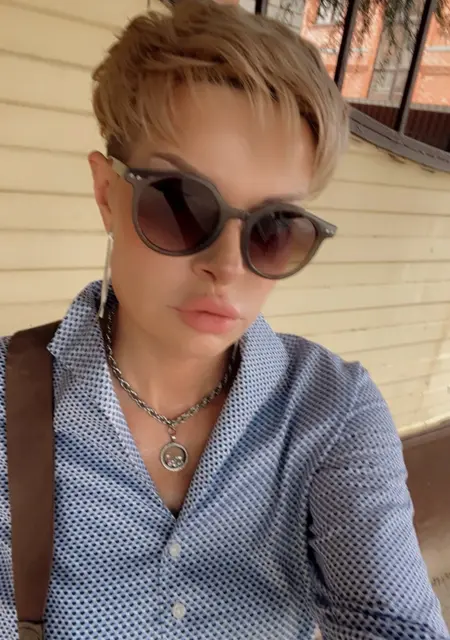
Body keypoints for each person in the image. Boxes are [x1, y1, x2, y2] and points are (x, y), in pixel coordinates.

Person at [0, 0, 448, 638]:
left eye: (274, 228)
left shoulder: (331, 410)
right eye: (180, 206)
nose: (228, 266)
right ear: (107, 194)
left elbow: (392, 621)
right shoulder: (7, 403)